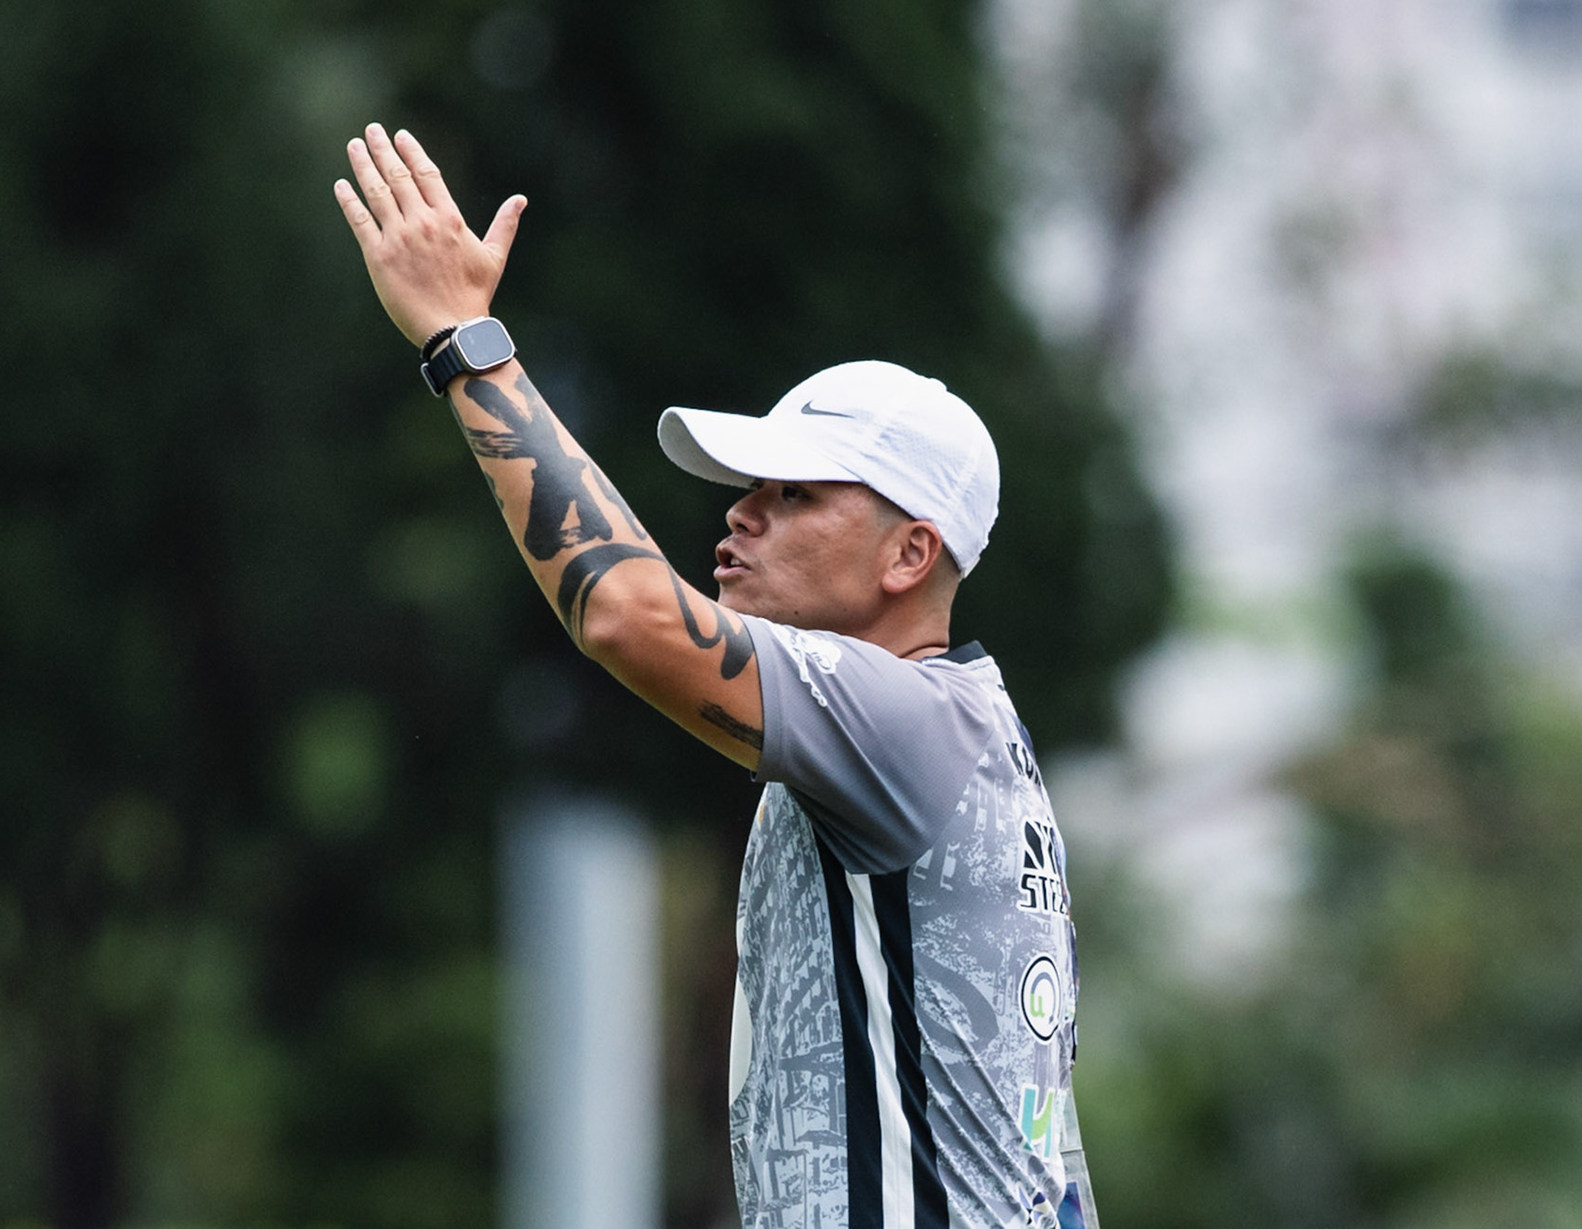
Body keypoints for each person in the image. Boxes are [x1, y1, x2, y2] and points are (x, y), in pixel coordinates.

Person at [335, 123, 1098, 1229]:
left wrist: (465, 340)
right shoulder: (968, 740)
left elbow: (627, 613)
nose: (740, 513)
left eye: (795, 494)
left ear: (909, 555)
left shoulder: (900, 720)